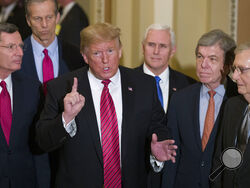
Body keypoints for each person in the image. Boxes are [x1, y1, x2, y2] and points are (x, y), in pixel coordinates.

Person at [36, 22, 177, 188]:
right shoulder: (61, 88)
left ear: (120, 51)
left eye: (110, 51)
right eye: (96, 53)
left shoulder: (144, 85)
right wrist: (66, 117)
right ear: (85, 56)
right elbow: (42, 141)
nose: (105, 59)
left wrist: (157, 152)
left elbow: (158, 127)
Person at [161, 29, 238, 188]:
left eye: (212, 59)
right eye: (200, 57)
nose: (203, 64)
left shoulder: (239, 99)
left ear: (228, 64)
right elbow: (173, 155)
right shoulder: (180, 99)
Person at [0, 23, 49, 188]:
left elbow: (39, 145)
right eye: (11, 47)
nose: (19, 53)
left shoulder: (32, 89)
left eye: (21, 46)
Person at [19, 0, 85, 89]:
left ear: (57, 17)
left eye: (49, 17)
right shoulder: (16, 55)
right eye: (37, 18)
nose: (44, 24)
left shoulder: (76, 55)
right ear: (28, 20)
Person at [211, 42, 250, 188]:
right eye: (234, 69)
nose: (234, 76)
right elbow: (220, 158)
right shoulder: (232, 106)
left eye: (241, 70)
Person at [135, 24, 196, 113]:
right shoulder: (126, 81)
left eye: (163, 46)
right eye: (151, 45)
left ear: (172, 51)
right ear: (143, 48)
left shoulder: (188, 86)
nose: (156, 51)